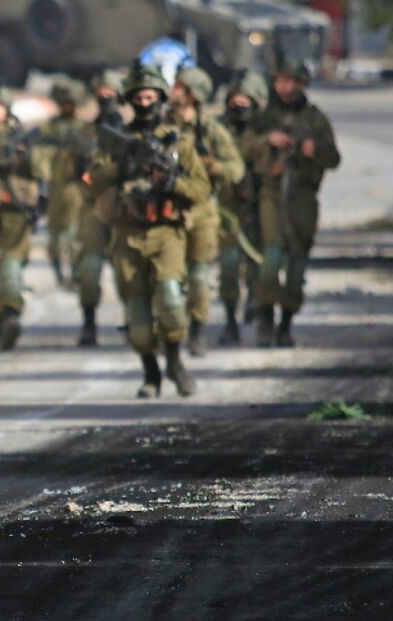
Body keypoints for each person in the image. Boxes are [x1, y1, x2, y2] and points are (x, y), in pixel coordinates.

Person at [89, 63, 211, 398]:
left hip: (166, 232)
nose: (144, 103)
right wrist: (122, 165)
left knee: (171, 301)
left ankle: (174, 361)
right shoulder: (118, 141)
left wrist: (172, 181)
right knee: (138, 318)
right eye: (138, 97)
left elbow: (202, 189)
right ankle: (151, 373)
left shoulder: (179, 143)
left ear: (160, 99)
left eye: (150, 96)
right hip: (127, 234)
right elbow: (92, 179)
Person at [252, 58, 340, 347]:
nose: (286, 87)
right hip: (272, 196)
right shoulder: (264, 118)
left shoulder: (314, 119)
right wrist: (268, 142)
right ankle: (265, 316)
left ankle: (286, 323)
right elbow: (241, 149)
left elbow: (334, 158)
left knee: (296, 265)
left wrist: (314, 150)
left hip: (302, 198)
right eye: (281, 80)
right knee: (271, 259)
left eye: (292, 81)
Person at [167, 66, 244, 357]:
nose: (174, 92)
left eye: (180, 88)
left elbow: (236, 169)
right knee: (168, 277)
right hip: (169, 210)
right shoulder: (163, 126)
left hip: (202, 211)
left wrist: (213, 167)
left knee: (199, 277)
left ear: (193, 95)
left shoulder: (211, 130)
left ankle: (196, 331)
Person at [0, 86, 38, 351]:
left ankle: (11, 316)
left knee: (10, 267)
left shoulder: (22, 137)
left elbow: (39, 171)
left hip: (15, 212)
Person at [74, 69, 128, 347]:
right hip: (92, 207)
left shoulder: (131, 131)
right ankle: (89, 322)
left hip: (123, 208)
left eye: (111, 92)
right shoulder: (84, 132)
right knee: (90, 268)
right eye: (102, 92)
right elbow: (69, 173)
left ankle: (135, 319)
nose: (106, 97)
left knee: (128, 267)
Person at [216, 71, 270, 346]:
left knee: (259, 267)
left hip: (261, 207)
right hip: (228, 208)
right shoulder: (217, 129)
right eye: (235, 100)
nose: (239, 105)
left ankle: (258, 309)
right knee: (228, 267)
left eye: (246, 100)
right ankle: (229, 321)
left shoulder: (266, 130)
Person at [34, 77, 93, 289]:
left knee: (74, 235)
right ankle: (60, 274)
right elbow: (39, 155)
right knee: (55, 239)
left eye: (71, 103)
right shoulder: (49, 128)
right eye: (64, 102)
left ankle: (76, 273)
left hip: (76, 189)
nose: (67, 106)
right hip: (55, 189)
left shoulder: (84, 129)